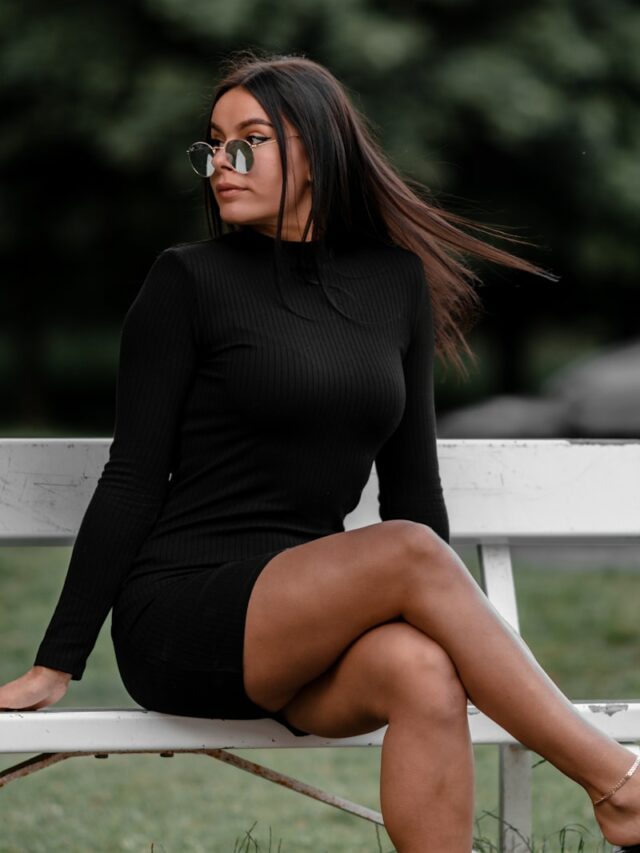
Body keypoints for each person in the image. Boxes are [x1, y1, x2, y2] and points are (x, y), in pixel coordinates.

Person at [0, 51, 638, 853]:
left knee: (422, 672)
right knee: (407, 553)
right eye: (212, 144)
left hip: (309, 622)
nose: (220, 166)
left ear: (316, 152)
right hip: (186, 611)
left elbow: (414, 487)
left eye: (250, 141)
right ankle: (621, 783)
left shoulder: (393, 284)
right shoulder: (185, 283)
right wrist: (57, 661)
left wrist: (463, 642)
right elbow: (132, 476)